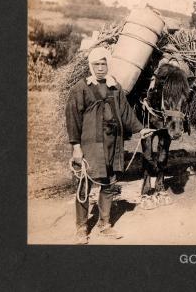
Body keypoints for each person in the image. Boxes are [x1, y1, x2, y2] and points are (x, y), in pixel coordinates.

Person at [65, 47, 155, 244]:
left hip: (112, 145)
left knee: (109, 183)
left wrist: (140, 130)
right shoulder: (81, 88)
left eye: (103, 63)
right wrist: (76, 147)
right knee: (84, 185)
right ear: (91, 65)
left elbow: (126, 114)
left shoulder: (116, 88)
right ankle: (81, 228)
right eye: (96, 64)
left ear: (108, 65)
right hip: (89, 147)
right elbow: (73, 119)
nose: (100, 67)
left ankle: (104, 224)